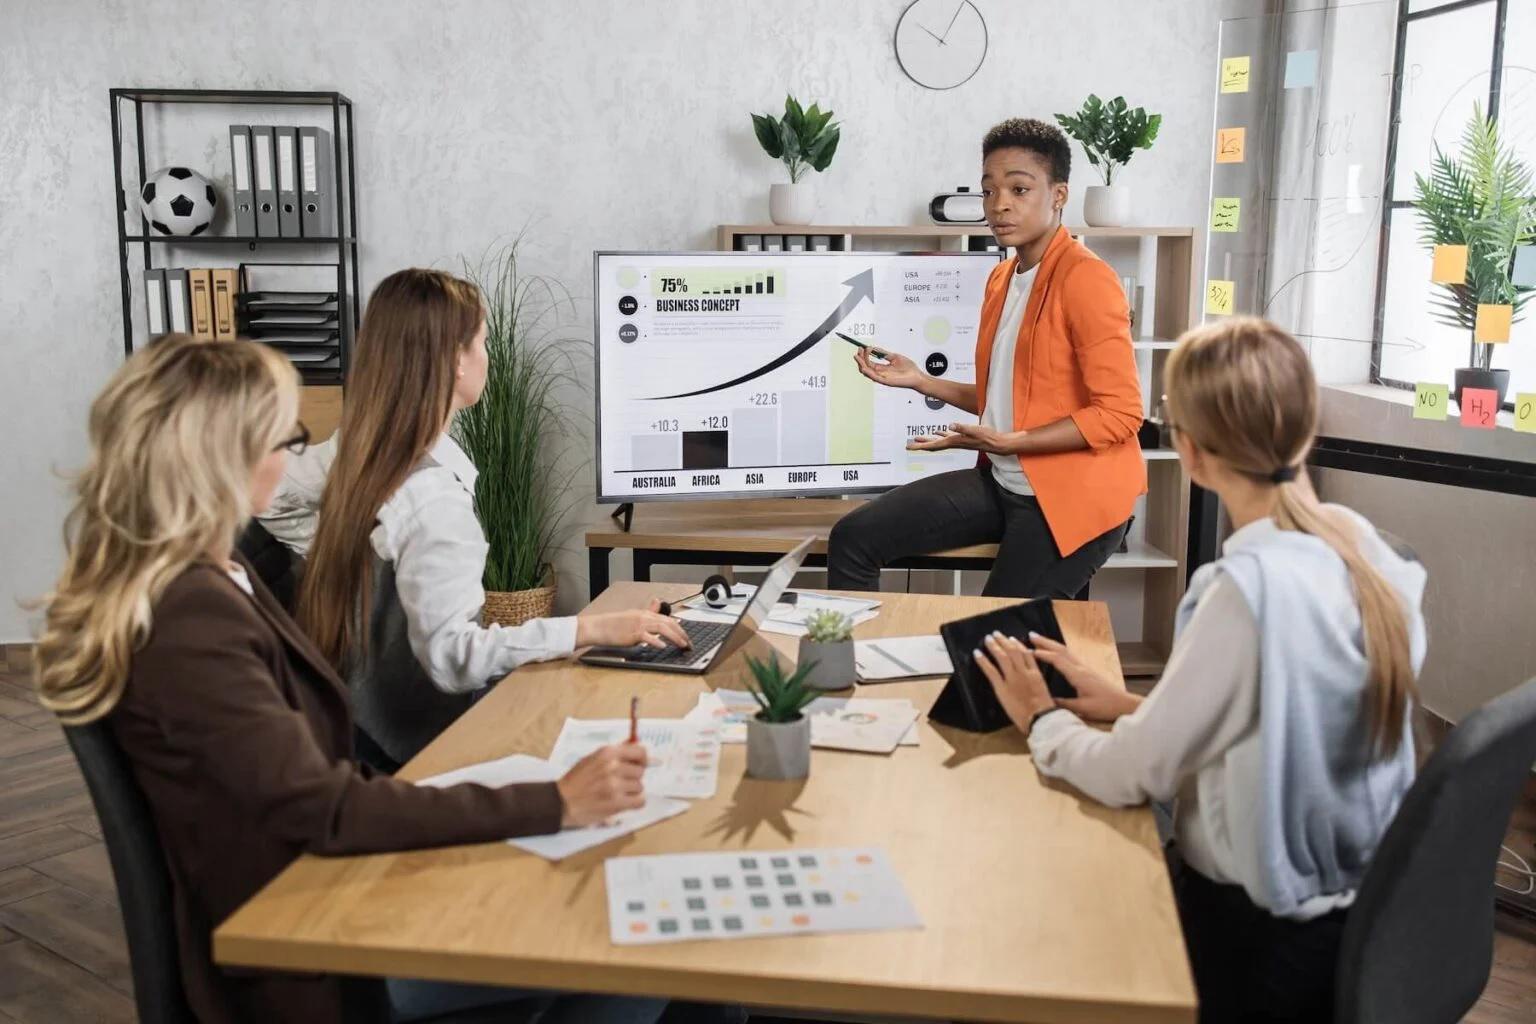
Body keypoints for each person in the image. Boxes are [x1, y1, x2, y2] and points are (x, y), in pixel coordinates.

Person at [33, 335, 665, 1024]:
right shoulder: (189, 620)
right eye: (287, 438)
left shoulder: (218, 576)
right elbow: (321, 808)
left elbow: (303, 781)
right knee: (635, 951)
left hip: (323, 888)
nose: (293, 458)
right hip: (307, 948)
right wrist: (555, 802)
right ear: (227, 456)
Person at [972, 318, 1428, 1023]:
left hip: (1251, 941)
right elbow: (1291, 721)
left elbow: (1134, 776)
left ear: (1188, 449)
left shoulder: (1242, 592)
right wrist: (1133, 705)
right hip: (1352, 919)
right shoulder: (1372, 553)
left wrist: (1041, 716)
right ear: (1305, 430)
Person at [259, 269, 689, 771]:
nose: (488, 355)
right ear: (455, 361)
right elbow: (453, 658)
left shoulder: (358, 452)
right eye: (482, 341)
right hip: (419, 751)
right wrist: (593, 629)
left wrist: (340, 548)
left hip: (350, 727)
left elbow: (266, 492)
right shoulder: (430, 495)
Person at [826, 117, 1145, 598]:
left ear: (1059, 195)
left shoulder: (1087, 279)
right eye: (989, 191)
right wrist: (921, 380)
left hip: (1072, 498)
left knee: (988, 637)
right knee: (853, 538)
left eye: (1019, 189)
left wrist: (1013, 440)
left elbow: (1121, 414)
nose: (999, 205)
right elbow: (1011, 398)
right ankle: (843, 647)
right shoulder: (1002, 278)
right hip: (1005, 482)